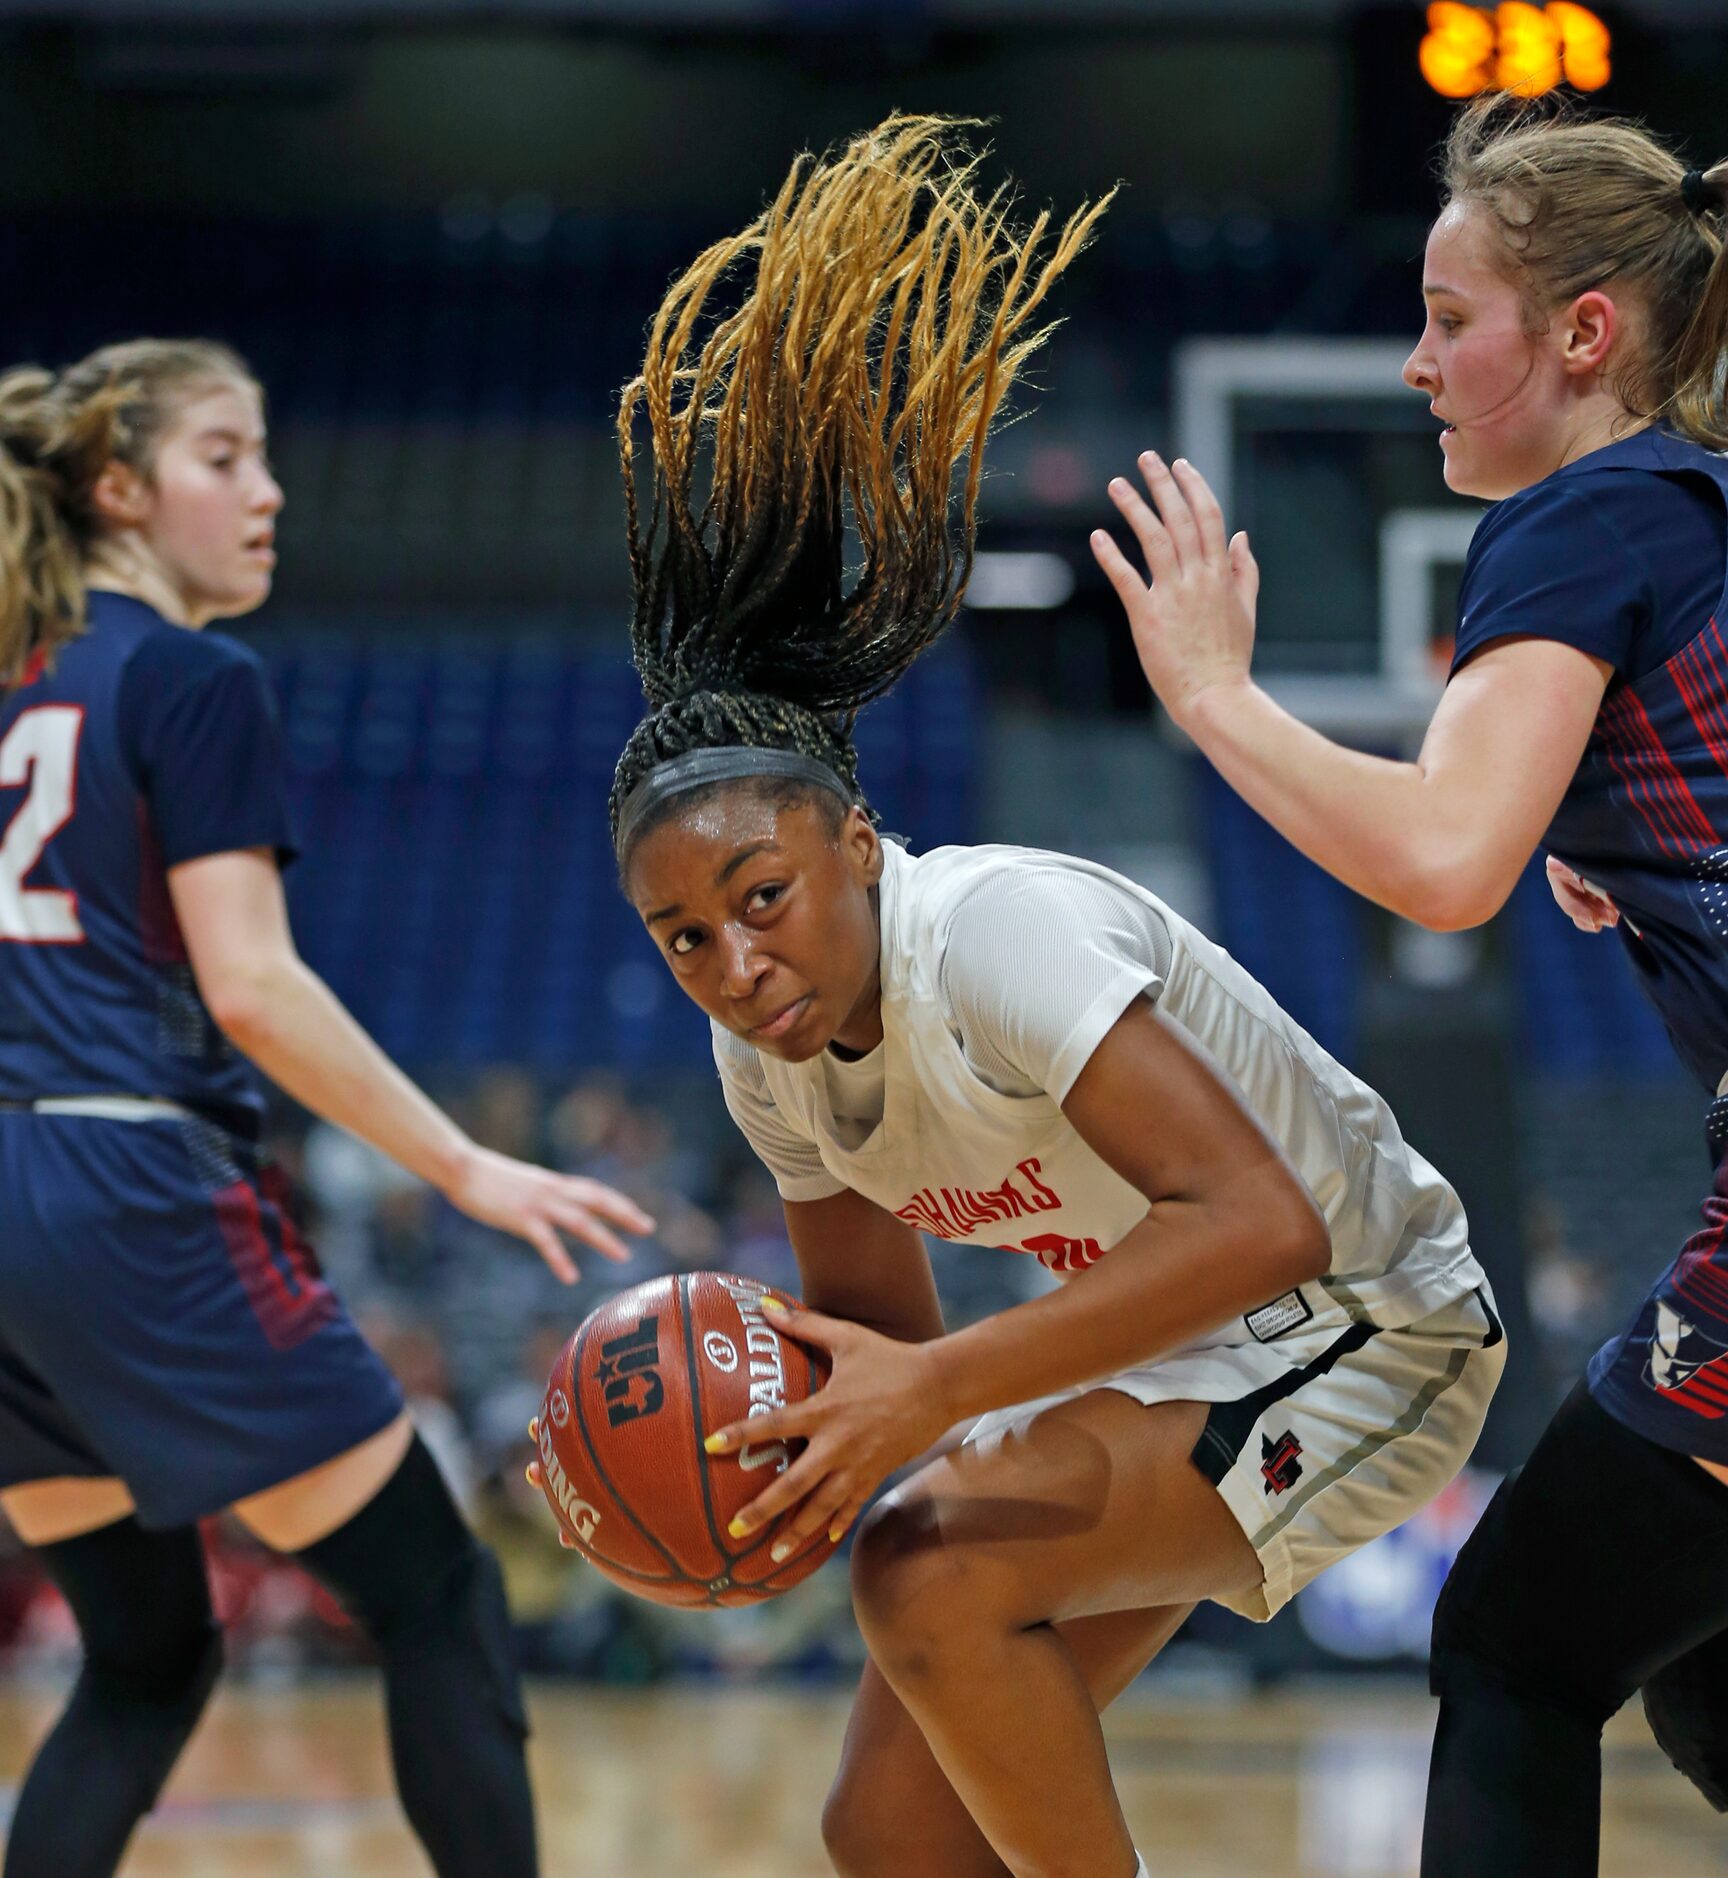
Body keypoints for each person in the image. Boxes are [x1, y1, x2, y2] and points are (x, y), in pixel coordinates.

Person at [559, 115, 1506, 1878]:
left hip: (1368, 1325)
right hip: (1176, 1356)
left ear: (855, 838)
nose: (735, 960)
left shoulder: (994, 933)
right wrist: (748, 1473)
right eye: (683, 936)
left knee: (933, 1569)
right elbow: (890, 1363)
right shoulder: (764, 1060)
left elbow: (1263, 1225)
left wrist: (928, 1420)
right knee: (887, 1818)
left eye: (760, 898)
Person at [1089, 95, 1728, 1875]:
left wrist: (1216, 693)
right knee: (1709, 1679)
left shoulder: (1586, 517)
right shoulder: (1700, 517)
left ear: (1582, 334)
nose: (1417, 361)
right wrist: (1636, 849)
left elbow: (1446, 862)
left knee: (1517, 1642)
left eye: (1455, 320)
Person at [0, 337, 652, 1878]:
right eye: (224, 456)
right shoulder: (187, 675)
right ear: (116, 489)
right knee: (436, 1593)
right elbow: (254, 986)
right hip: (122, 1181)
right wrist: (465, 1160)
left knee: (149, 1653)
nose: (268, 491)